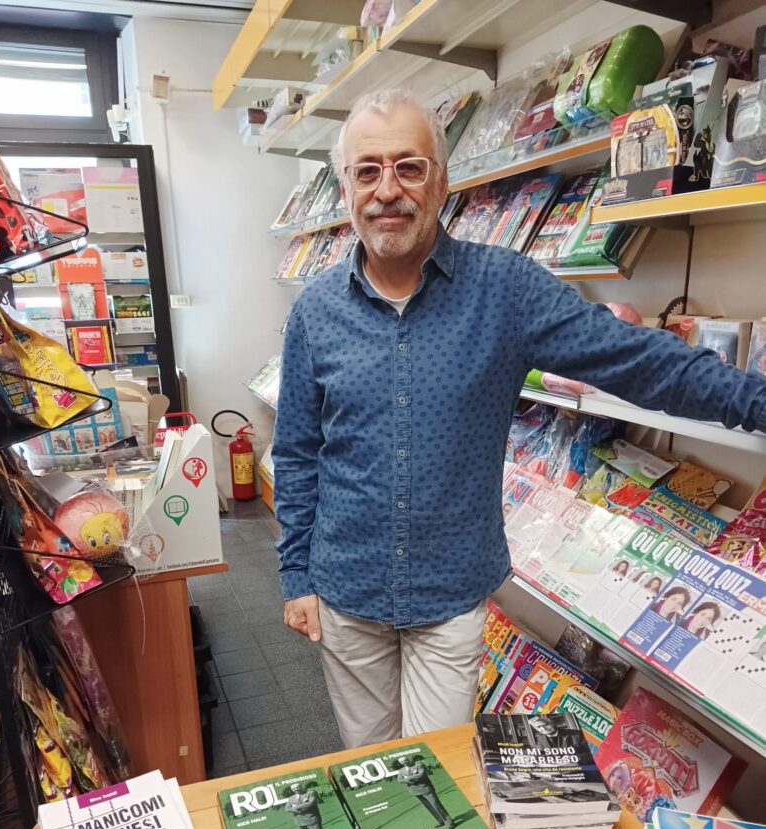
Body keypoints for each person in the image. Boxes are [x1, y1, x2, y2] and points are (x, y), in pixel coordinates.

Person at [273, 88, 766, 748]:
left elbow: (636, 359)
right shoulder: (315, 311)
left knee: (440, 780)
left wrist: (754, 402)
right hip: (344, 584)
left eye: (408, 167)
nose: (386, 190)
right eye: (367, 170)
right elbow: (299, 450)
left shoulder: (503, 289)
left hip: (449, 592)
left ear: (441, 180)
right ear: (346, 187)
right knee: (372, 771)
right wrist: (296, 578)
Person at [396, 754, 455, 829]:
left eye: (405, 760)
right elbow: (400, 780)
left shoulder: (419, 765)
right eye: (402, 762)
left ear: (408, 759)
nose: (404, 762)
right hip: (415, 791)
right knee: (428, 806)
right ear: (400, 763)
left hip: (426, 789)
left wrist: (407, 778)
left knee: (436, 805)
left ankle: (450, 822)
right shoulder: (401, 771)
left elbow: (421, 774)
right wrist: (410, 780)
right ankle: (440, 821)